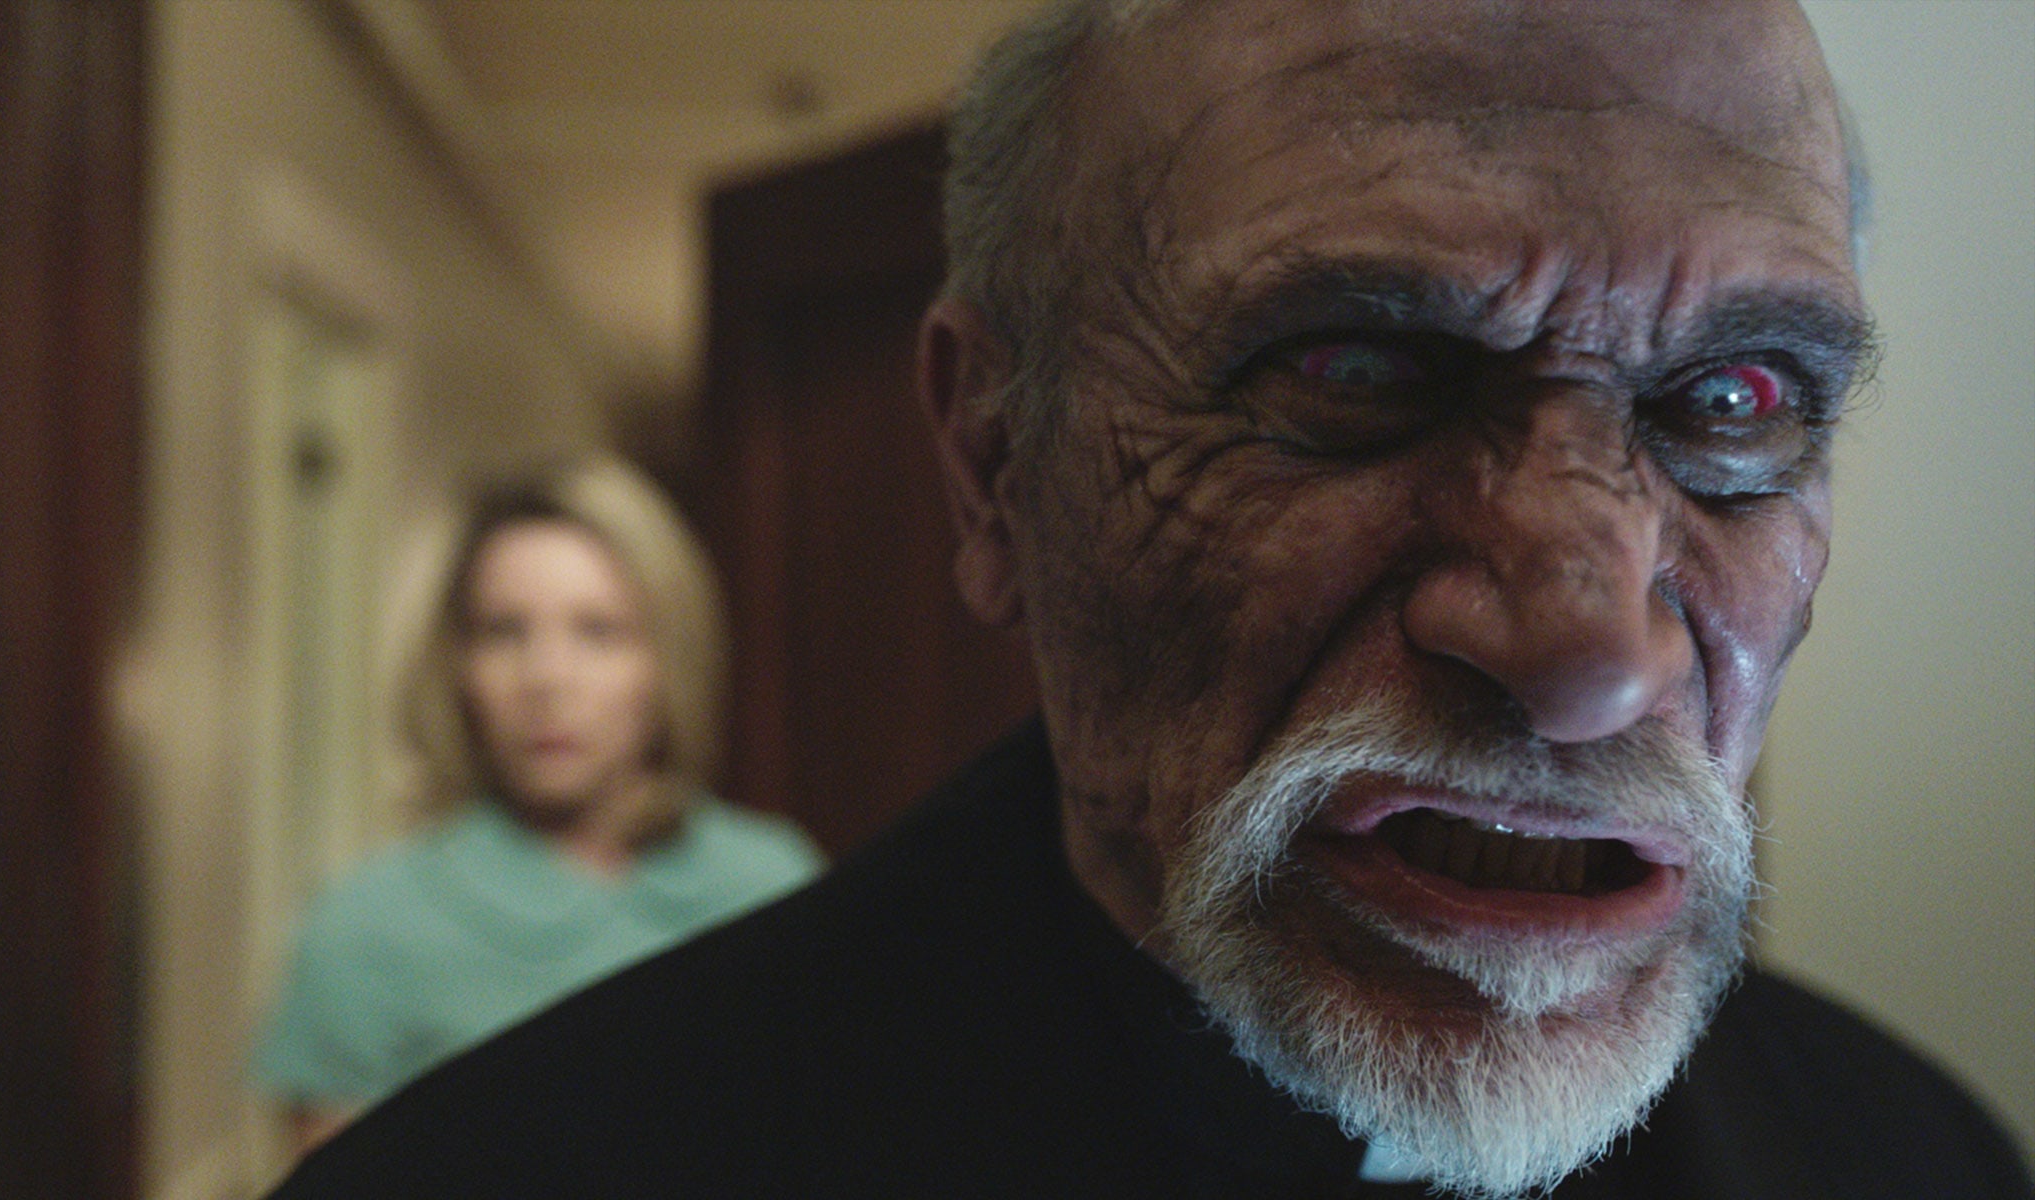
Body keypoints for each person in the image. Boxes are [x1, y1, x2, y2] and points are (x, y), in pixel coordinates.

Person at [271, 2, 2034, 1196]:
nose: (1590, 653)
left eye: (1733, 402)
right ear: (993, 460)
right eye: (1354, 371)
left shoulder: (1914, 1160)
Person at [252, 455, 822, 1153]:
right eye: (504, 631)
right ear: (456, 667)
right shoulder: (365, 929)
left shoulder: (773, 886)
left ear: (666, 656)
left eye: (599, 631)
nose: (547, 678)